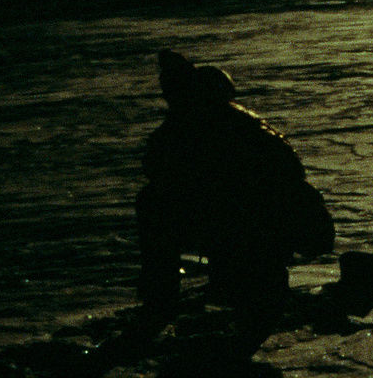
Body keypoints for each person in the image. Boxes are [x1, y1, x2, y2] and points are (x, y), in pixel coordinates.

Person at [135, 50, 334, 353]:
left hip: (256, 218)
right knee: (153, 205)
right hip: (250, 218)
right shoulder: (217, 122)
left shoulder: (212, 125)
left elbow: (158, 168)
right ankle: (166, 301)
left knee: (156, 207)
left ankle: (165, 302)